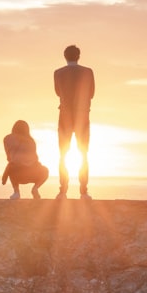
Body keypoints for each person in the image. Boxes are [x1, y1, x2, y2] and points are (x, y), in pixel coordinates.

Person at [54, 45, 95, 199]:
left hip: (64, 116)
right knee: (83, 154)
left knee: (63, 154)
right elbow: (91, 93)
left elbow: (57, 92)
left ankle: (62, 191)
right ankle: (83, 191)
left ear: (65, 56)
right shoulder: (88, 72)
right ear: (79, 56)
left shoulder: (58, 73)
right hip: (82, 116)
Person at [1, 120, 49, 199]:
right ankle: (35, 188)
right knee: (45, 170)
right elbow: (35, 158)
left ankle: (16, 192)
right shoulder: (31, 141)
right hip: (32, 174)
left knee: (11, 167)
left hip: (17, 174)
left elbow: (9, 158)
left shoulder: (7, 139)